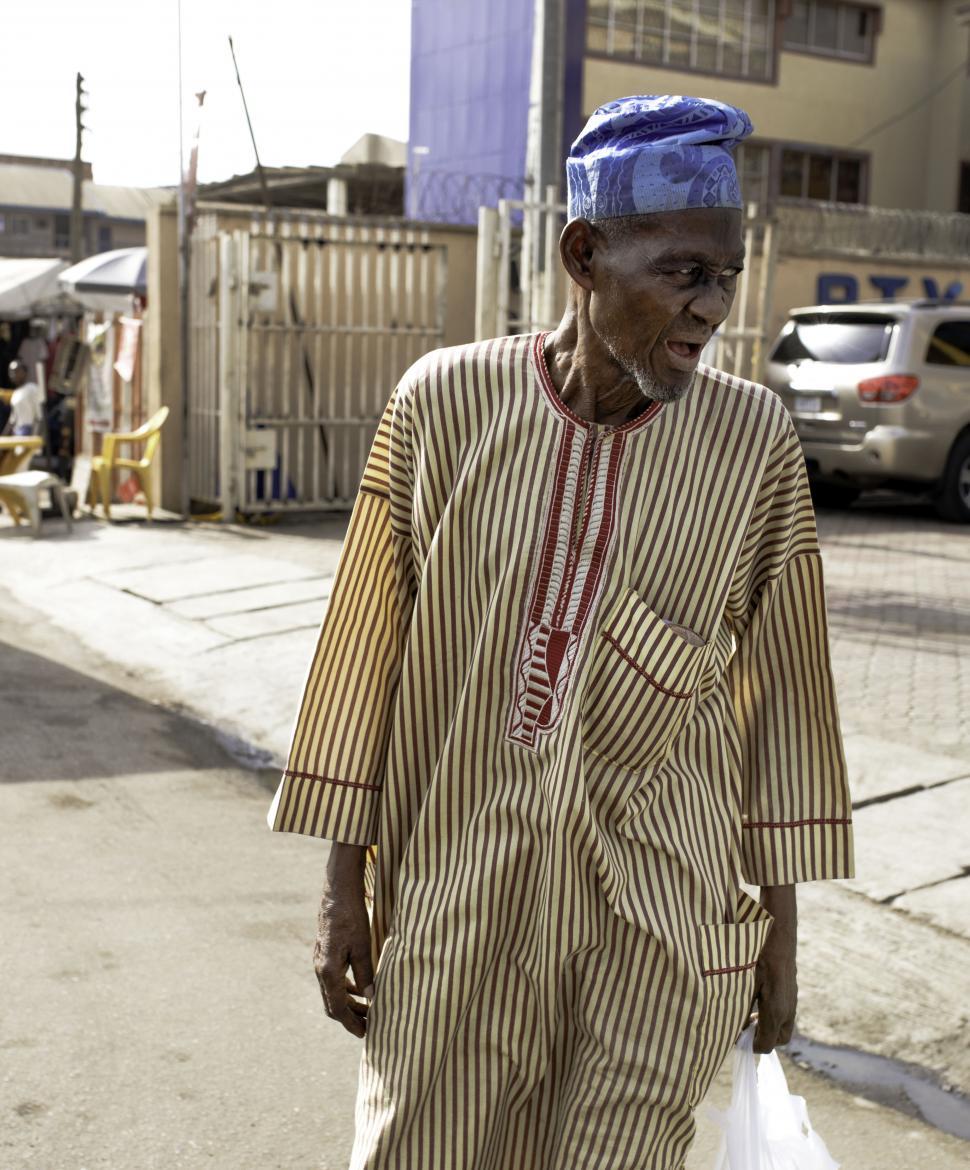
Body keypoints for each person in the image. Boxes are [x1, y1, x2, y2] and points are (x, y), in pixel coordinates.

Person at [269, 95, 854, 1170]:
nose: (713, 306)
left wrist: (782, 932)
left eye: (725, 274)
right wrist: (340, 889)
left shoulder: (752, 441)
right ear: (586, 254)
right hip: (458, 899)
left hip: (657, 921)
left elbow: (788, 699)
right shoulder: (440, 405)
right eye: (683, 272)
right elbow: (362, 659)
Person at [5, 361, 44, 437]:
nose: (13, 374)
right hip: (17, 433)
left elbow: (40, 416)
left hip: (29, 431)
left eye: (16, 371)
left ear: (25, 372)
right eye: (11, 372)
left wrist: (34, 438)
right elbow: (12, 420)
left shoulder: (32, 389)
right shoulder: (15, 393)